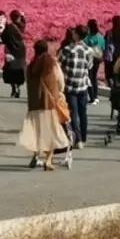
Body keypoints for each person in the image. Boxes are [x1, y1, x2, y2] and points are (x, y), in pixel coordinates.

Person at [19, 39, 71, 171]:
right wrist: (59, 93)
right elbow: (59, 81)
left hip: (34, 103)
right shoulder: (50, 62)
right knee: (50, 132)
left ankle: (36, 155)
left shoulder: (31, 66)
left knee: (38, 131)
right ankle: (48, 160)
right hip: (48, 103)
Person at [58, 28, 93, 148]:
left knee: (73, 113)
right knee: (83, 113)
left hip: (70, 86)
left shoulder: (67, 50)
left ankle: (77, 139)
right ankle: (83, 137)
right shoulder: (88, 50)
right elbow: (90, 65)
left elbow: (59, 62)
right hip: (83, 85)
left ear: (77, 35)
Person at [0, 10, 27, 98]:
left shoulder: (9, 27)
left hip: (11, 51)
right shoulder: (22, 26)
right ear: (19, 18)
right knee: (19, 70)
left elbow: (3, 38)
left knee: (10, 70)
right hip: (21, 52)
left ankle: (14, 87)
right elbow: (24, 22)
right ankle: (18, 86)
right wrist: (23, 16)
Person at [83, 20, 104, 104]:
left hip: (90, 59)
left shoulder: (88, 37)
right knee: (94, 77)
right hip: (98, 58)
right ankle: (95, 96)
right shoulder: (100, 37)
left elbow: (84, 46)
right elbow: (103, 47)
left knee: (89, 77)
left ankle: (92, 97)